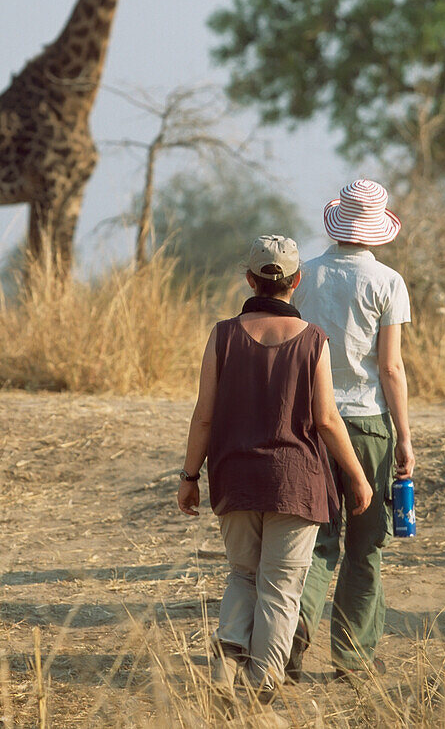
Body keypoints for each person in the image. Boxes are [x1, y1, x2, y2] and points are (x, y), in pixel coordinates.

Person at [177, 235, 372, 703]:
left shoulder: (222, 335)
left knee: (243, 575)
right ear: (296, 282)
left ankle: (225, 669)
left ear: (249, 279)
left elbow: (204, 414)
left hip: (235, 477)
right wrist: (358, 477)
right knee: (281, 588)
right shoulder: (312, 341)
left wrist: (189, 477)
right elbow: (326, 419)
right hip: (295, 483)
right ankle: (262, 686)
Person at [287, 178, 415, 679]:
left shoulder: (306, 277)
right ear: (377, 229)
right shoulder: (388, 282)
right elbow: (391, 369)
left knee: (316, 541)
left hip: (312, 424)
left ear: (339, 223)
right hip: (368, 427)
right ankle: (353, 659)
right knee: (365, 546)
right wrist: (404, 438)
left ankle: (289, 641)